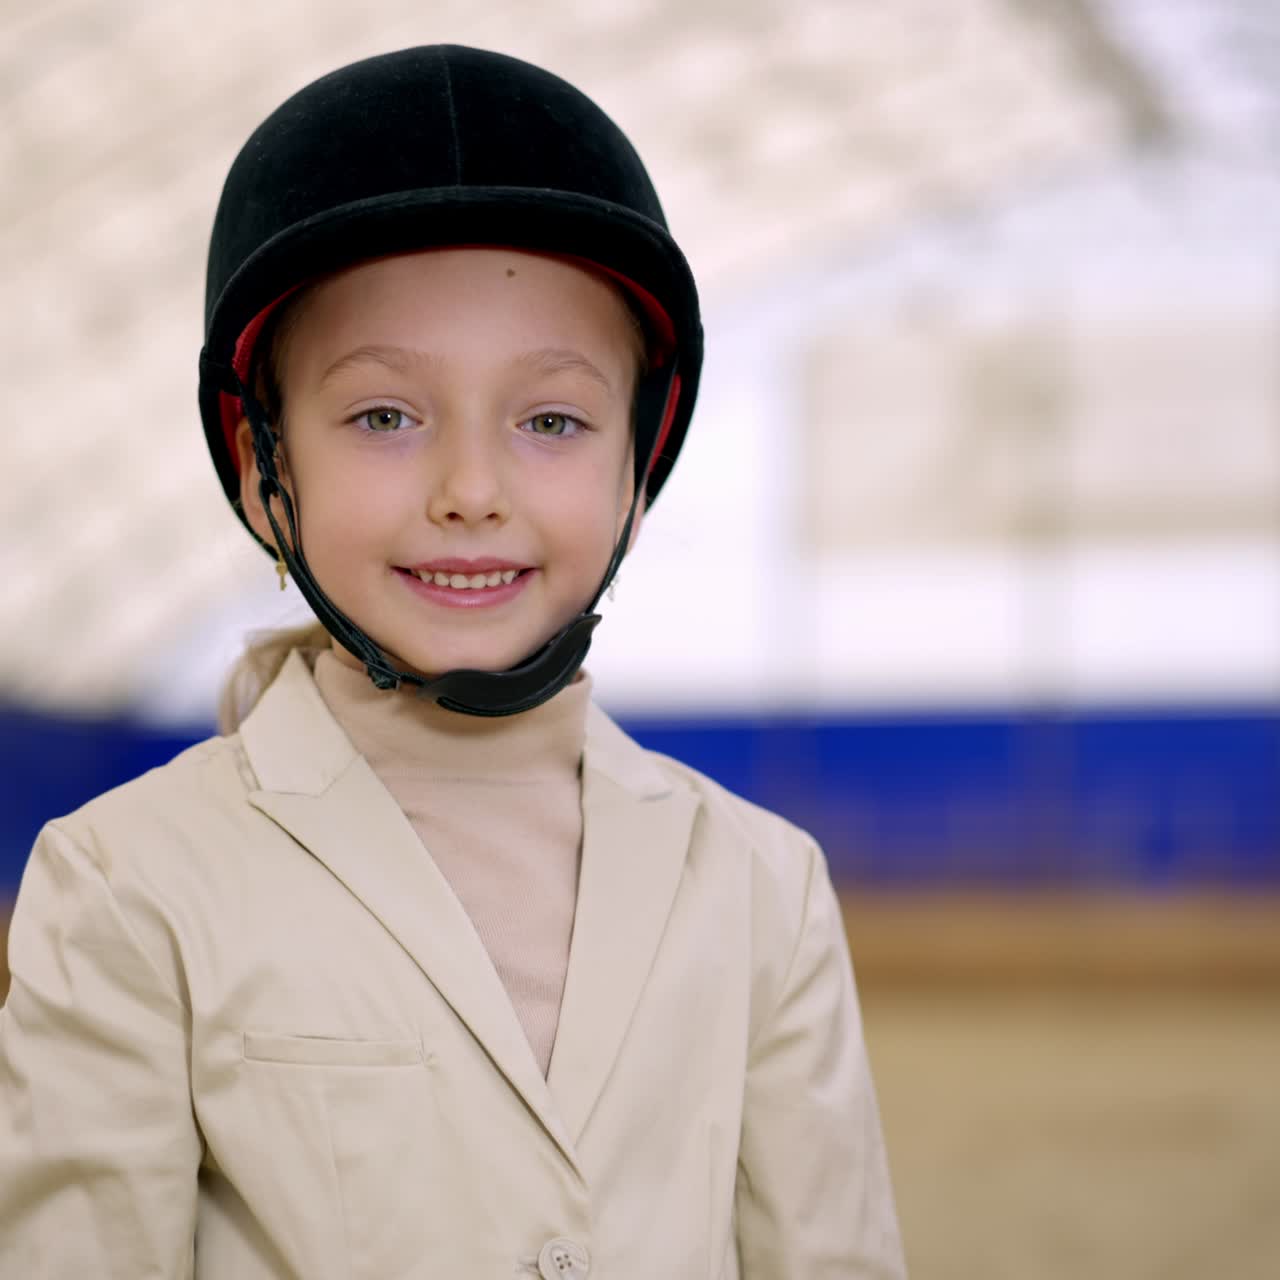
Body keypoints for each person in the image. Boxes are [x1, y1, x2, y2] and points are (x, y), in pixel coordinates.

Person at [0, 45, 905, 1279]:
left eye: (551, 419)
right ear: (264, 468)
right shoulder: (124, 884)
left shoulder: (763, 886)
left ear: (636, 469)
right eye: (384, 415)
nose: (471, 489)